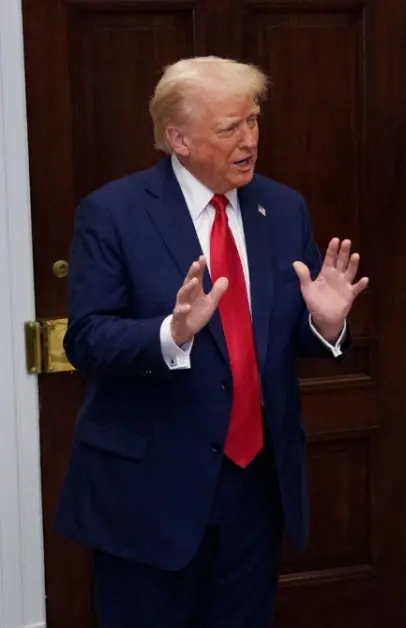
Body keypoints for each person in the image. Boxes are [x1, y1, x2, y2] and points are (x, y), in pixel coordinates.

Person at [54, 56, 367, 627]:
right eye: (229, 128)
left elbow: (280, 335)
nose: (248, 139)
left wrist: (324, 323)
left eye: (252, 122)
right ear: (179, 138)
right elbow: (86, 338)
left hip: (254, 486)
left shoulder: (283, 207)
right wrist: (171, 333)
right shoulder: (114, 213)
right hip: (150, 490)